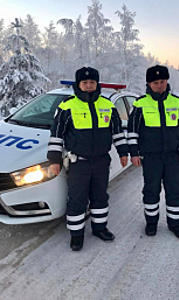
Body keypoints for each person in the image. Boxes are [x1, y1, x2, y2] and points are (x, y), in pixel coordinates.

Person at [47, 66, 128, 251]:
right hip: (78, 163)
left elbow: (116, 132)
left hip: (101, 161)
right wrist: (54, 160)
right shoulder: (67, 106)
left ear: (96, 83)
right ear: (78, 84)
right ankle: (76, 235)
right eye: (85, 83)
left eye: (92, 82)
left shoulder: (107, 105)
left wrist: (123, 152)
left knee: (100, 196)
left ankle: (100, 228)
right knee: (77, 199)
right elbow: (56, 135)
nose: (89, 86)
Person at [127, 65, 179, 239]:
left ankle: (175, 224)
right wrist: (133, 153)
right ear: (149, 84)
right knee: (151, 190)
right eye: (155, 82)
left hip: (172, 156)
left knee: (174, 190)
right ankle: (151, 223)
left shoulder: (177, 102)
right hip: (151, 157)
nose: (159, 85)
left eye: (162, 81)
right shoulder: (140, 104)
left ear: (167, 81)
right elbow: (132, 131)